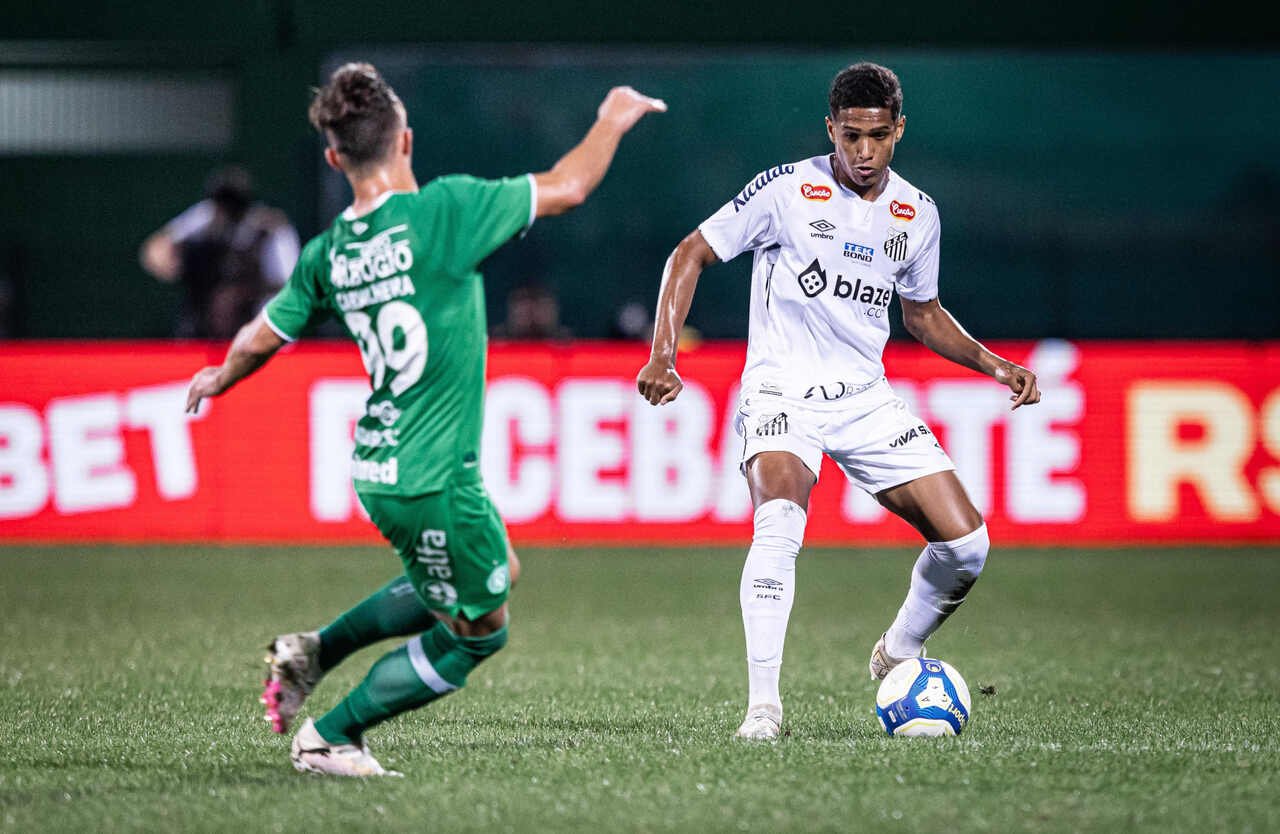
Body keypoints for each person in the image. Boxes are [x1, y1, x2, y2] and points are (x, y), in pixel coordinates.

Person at [185, 63, 665, 775]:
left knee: (495, 568)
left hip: (385, 464)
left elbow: (263, 334)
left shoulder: (329, 252)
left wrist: (218, 376)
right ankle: (333, 737)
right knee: (477, 632)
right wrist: (613, 117)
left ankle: (315, 651)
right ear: (405, 141)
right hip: (429, 476)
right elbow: (569, 186)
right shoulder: (447, 212)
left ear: (334, 158)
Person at [635, 62, 1039, 741]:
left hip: (864, 397)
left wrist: (992, 362)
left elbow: (924, 314)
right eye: (850, 136)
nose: (862, 152)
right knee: (779, 526)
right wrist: (663, 354)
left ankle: (898, 653)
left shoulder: (917, 213)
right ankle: (763, 709)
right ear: (831, 128)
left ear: (898, 130)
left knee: (967, 545)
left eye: (878, 136)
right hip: (780, 389)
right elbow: (689, 253)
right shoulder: (785, 190)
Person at [140, 165, 300, 338]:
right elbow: (157, 248)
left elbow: (288, 284)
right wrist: (175, 266)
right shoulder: (208, 215)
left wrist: (240, 293)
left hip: (256, 313)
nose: (224, 213)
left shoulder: (271, 228)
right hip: (207, 314)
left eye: (232, 206)